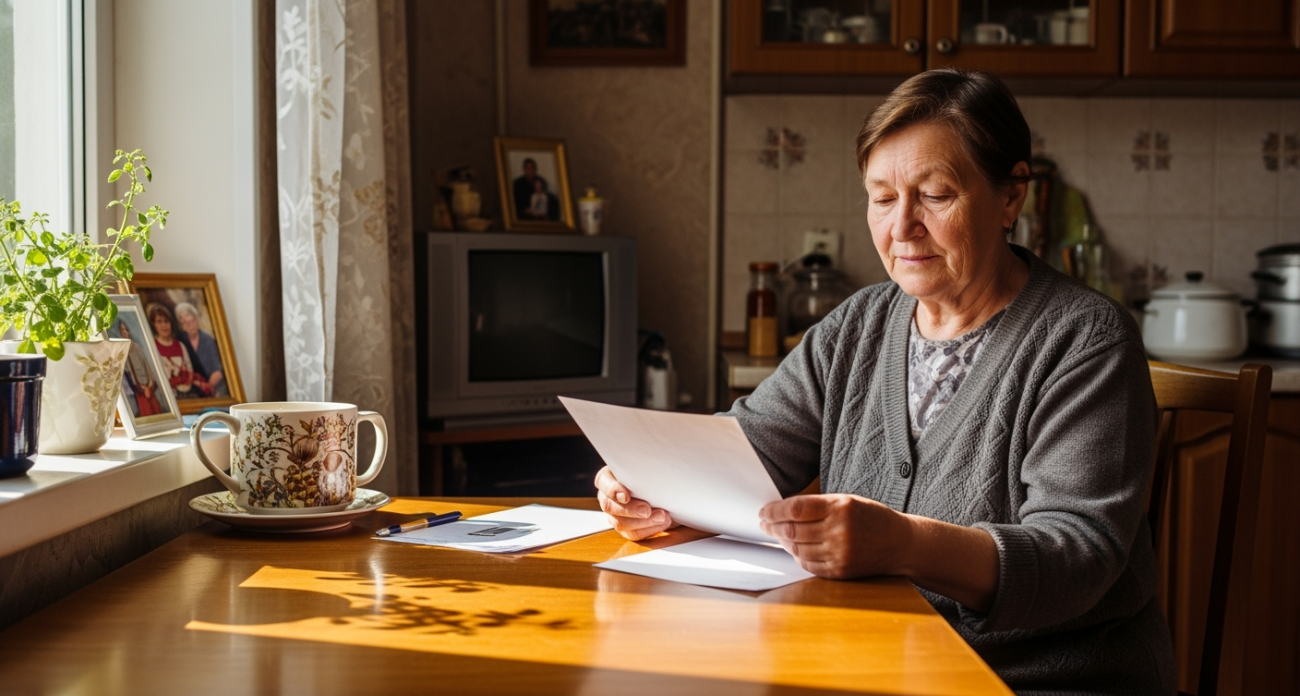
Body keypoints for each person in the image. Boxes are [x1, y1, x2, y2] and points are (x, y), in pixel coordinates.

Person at [595, 69, 1175, 694]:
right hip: (875, 663)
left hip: (1039, 679)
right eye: (881, 197)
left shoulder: (1084, 338)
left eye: (935, 195)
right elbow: (748, 447)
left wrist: (903, 544)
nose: (902, 228)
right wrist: (653, 483)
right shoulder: (859, 323)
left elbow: (1078, 557)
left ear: (1011, 196)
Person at [147, 303, 212, 400]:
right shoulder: (152, 347)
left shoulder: (181, 346)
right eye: (159, 322)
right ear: (153, 324)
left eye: (166, 321)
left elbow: (189, 371)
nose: (164, 325)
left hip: (186, 394)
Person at [174, 301, 229, 398]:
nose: (190, 325)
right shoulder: (180, 341)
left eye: (192, 321)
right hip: (188, 388)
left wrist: (207, 386)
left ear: (197, 320)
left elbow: (218, 370)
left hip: (212, 387)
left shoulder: (208, 341)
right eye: (185, 323)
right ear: (181, 325)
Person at [119, 320, 164, 417]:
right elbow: (128, 372)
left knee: (156, 409)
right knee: (145, 412)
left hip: (148, 383)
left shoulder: (137, 347)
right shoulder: (121, 350)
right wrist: (141, 388)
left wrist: (149, 384)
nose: (124, 332)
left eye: (126, 330)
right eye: (122, 330)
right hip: (137, 387)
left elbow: (146, 365)